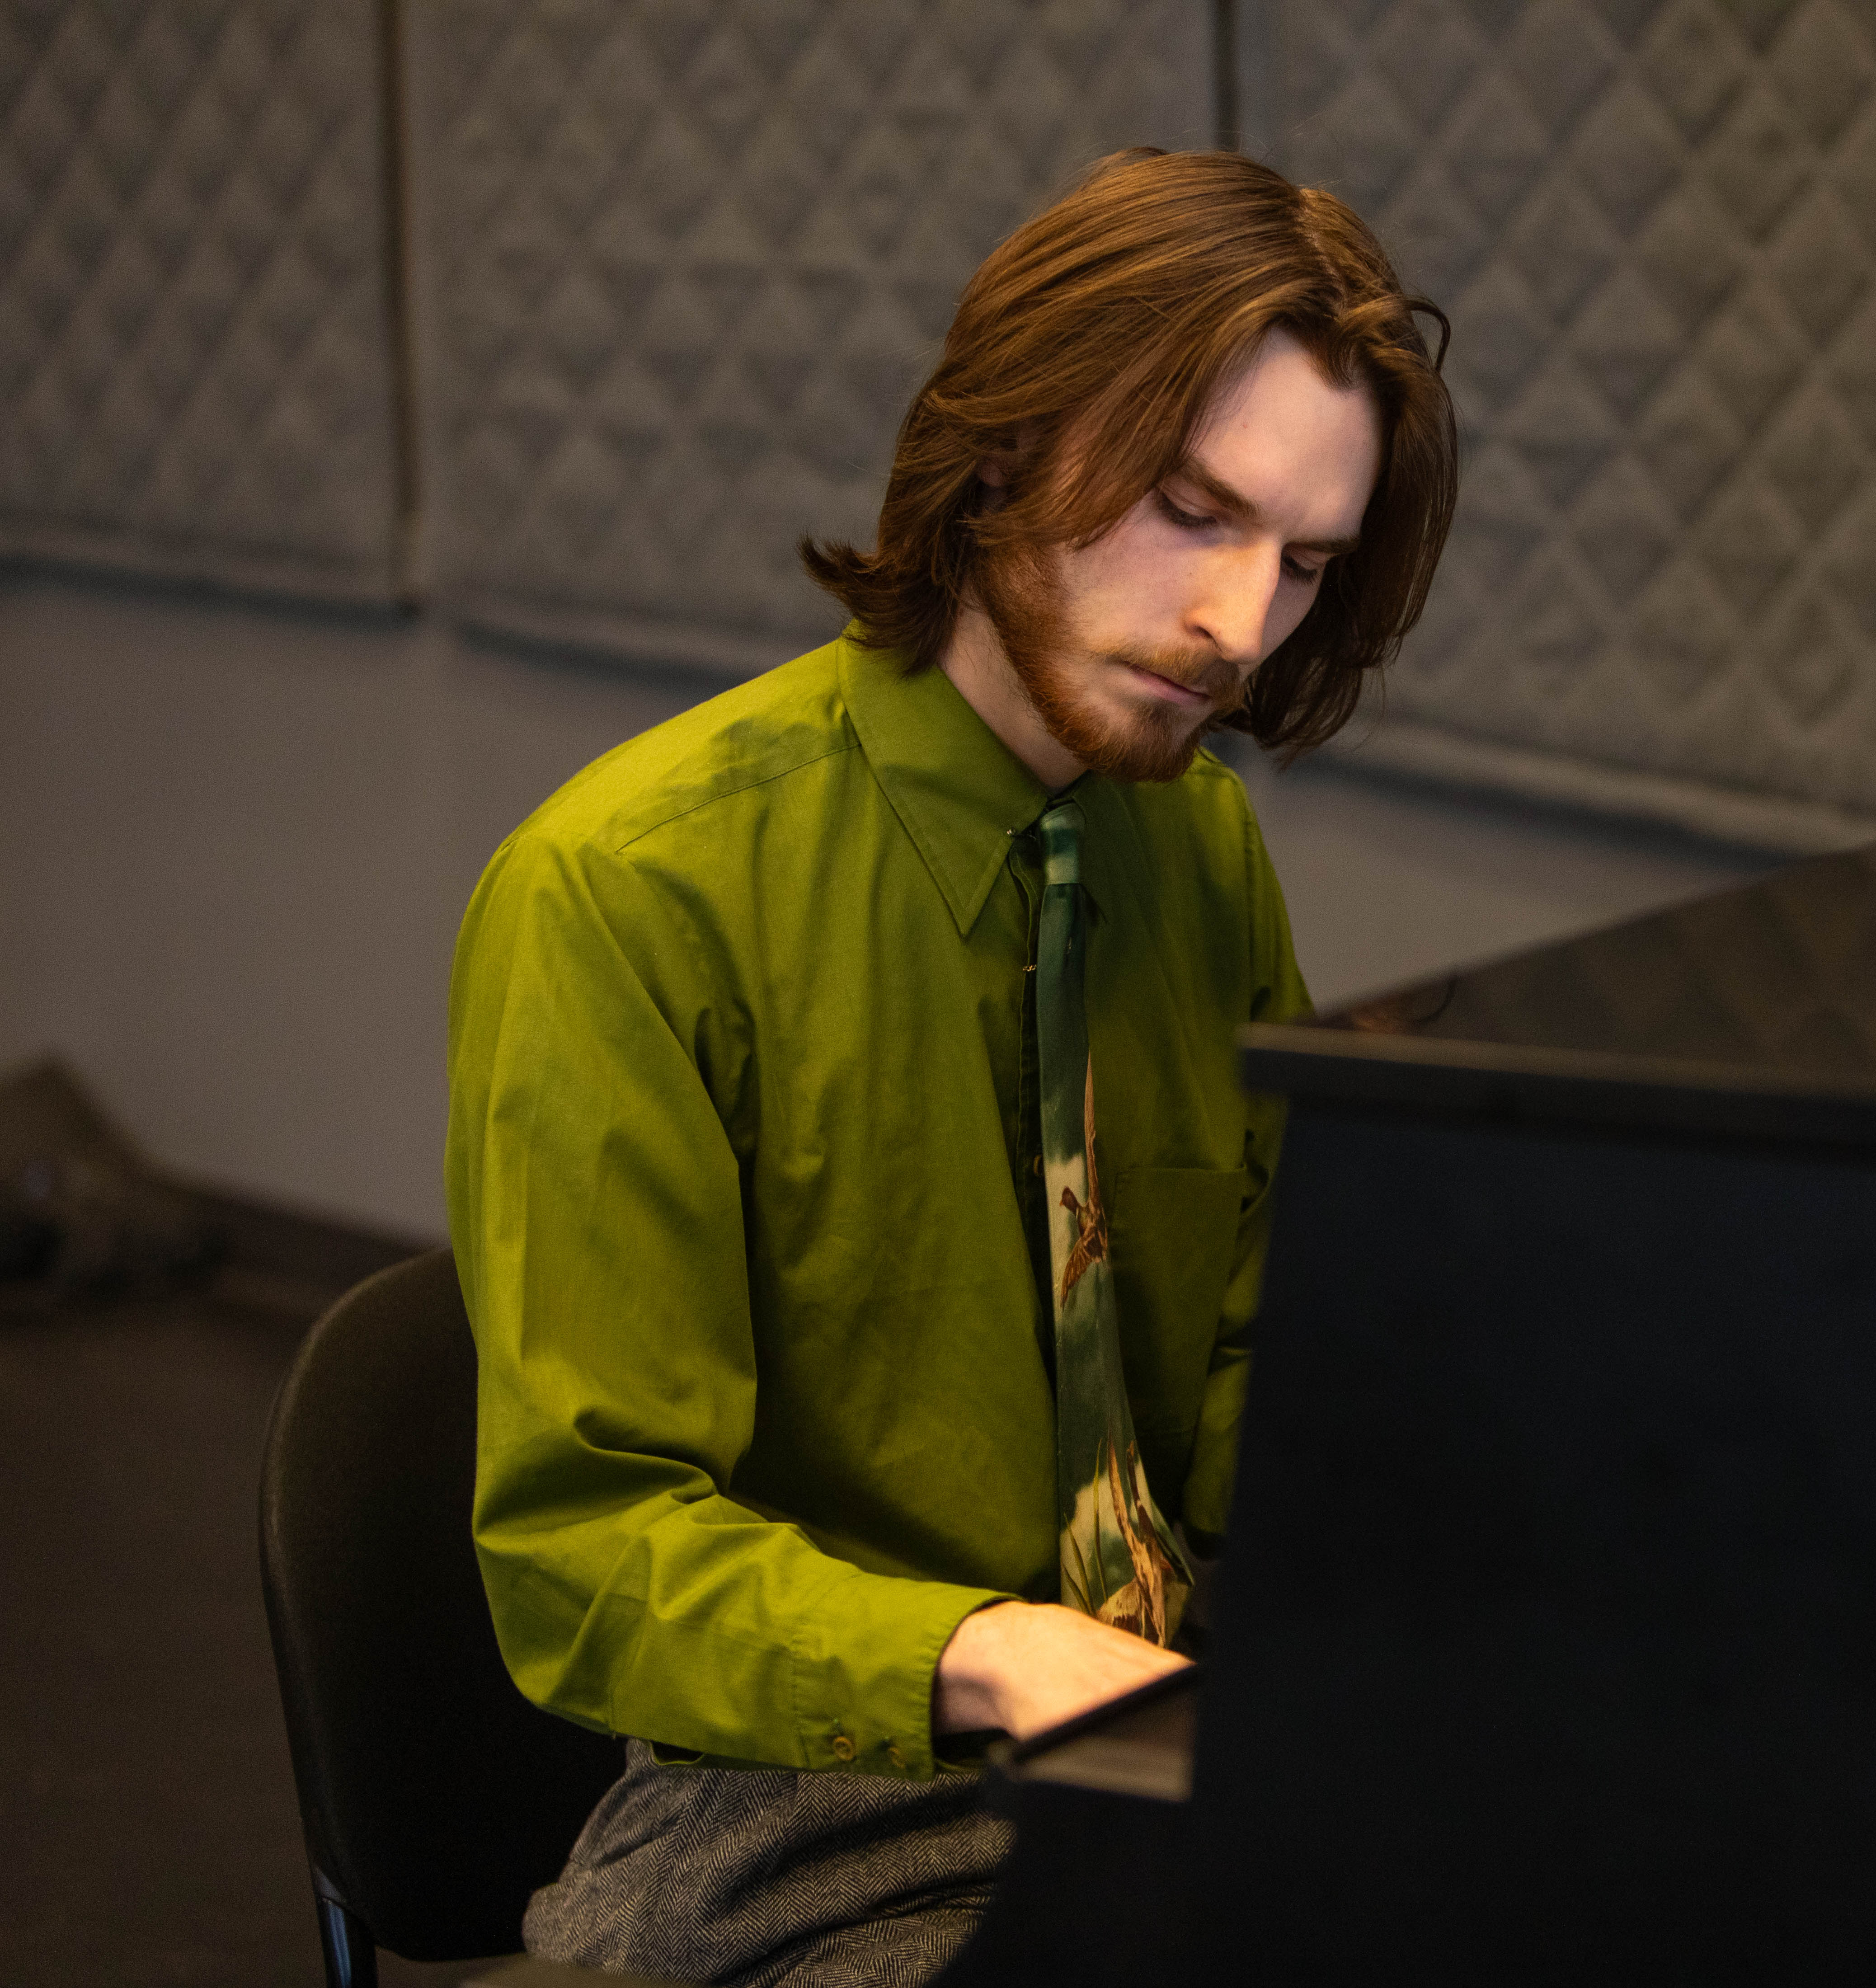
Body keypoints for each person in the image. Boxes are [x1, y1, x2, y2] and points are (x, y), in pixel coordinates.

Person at [443, 148, 1456, 1984]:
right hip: (813, 1809)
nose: (1241, 625)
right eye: (1188, 507)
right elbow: (590, 1554)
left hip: (1169, 1731)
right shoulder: (629, 891)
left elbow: (1248, 1360)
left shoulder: (1195, 855)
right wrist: (985, 1650)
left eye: (1302, 562)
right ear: (1003, 445)